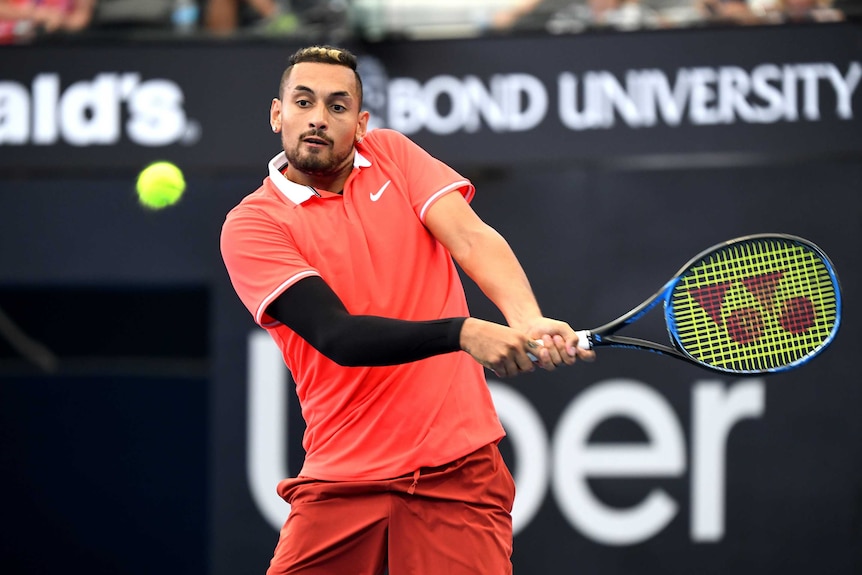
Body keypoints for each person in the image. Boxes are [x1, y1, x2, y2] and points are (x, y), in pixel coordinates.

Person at [220, 45, 595, 575]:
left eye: (337, 106)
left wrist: (526, 317)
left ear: (361, 122)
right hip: (342, 480)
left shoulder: (392, 154)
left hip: (457, 474)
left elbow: (469, 237)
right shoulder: (255, 225)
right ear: (278, 113)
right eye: (303, 102)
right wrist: (462, 332)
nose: (318, 119)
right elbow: (338, 336)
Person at [0, 0, 95, 44]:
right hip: (6, 42)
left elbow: (81, 17)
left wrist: (60, 20)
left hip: (49, 45)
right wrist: (34, 14)